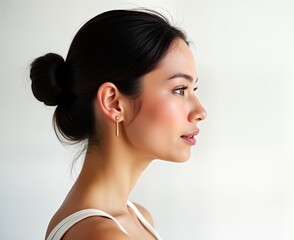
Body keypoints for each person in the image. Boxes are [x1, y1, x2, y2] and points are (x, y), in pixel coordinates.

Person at [29, 9, 207, 240]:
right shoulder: (102, 234)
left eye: (194, 89)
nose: (200, 112)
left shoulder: (137, 217)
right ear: (113, 103)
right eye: (179, 89)